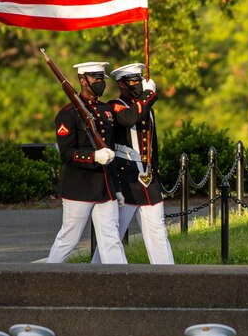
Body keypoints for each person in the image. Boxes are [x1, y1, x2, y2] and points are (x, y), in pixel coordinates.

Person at [46, 61, 126, 264]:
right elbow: (66, 153)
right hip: (79, 186)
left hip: (105, 186)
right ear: (82, 80)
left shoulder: (105, 110)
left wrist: (116, 188)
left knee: (111, 239)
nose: (100, 82)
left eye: (102, 79)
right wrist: (92, 157)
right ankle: (46, 279)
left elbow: (111, 150)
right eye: (95, 78)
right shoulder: (68, 113)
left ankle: (121, 284)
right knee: (69, 239)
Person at [106, 63, 174, 265]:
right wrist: (148, 95)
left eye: (140, 80)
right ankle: (98, 271)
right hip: (125, 178)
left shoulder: (145, 107)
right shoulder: (115, 105)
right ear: (122, 84)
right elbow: (129, 119)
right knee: (113, 236)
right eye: (134, 81)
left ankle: (168, 275)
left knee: (158, 232)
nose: (138, 85)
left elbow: (153, 143)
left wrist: (155, 169)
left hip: (147, 177)